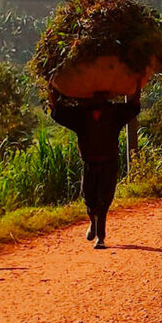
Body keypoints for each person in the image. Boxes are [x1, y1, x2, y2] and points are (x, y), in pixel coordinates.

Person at [49, 88, 140, 249]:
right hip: (90, 163)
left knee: (104, 200)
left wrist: (137, 86)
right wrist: (52, 94)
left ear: (106, 96)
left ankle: (101, 237)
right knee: (89, 199)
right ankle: (93, 221)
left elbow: (133, 107)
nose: (98, 97)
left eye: (101, 94)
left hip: (109, 162)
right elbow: (58, 112)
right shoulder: (80, 115)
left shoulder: (114, 113)